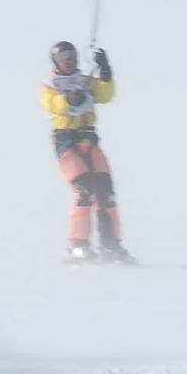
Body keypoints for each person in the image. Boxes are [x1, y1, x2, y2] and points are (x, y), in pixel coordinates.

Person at [41, 41, 130, 263]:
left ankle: (111, 246)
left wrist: (106, 72)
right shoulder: (50, 85)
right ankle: (78, 246)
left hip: (89, 142)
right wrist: (69, 99)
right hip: (67, 145)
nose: (69, 61)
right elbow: (51, 103)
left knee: (105, 194)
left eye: (72, 56)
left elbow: (105, 95)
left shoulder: (86, 82)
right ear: (56, 62)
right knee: (84, 192)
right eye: (64, 58)